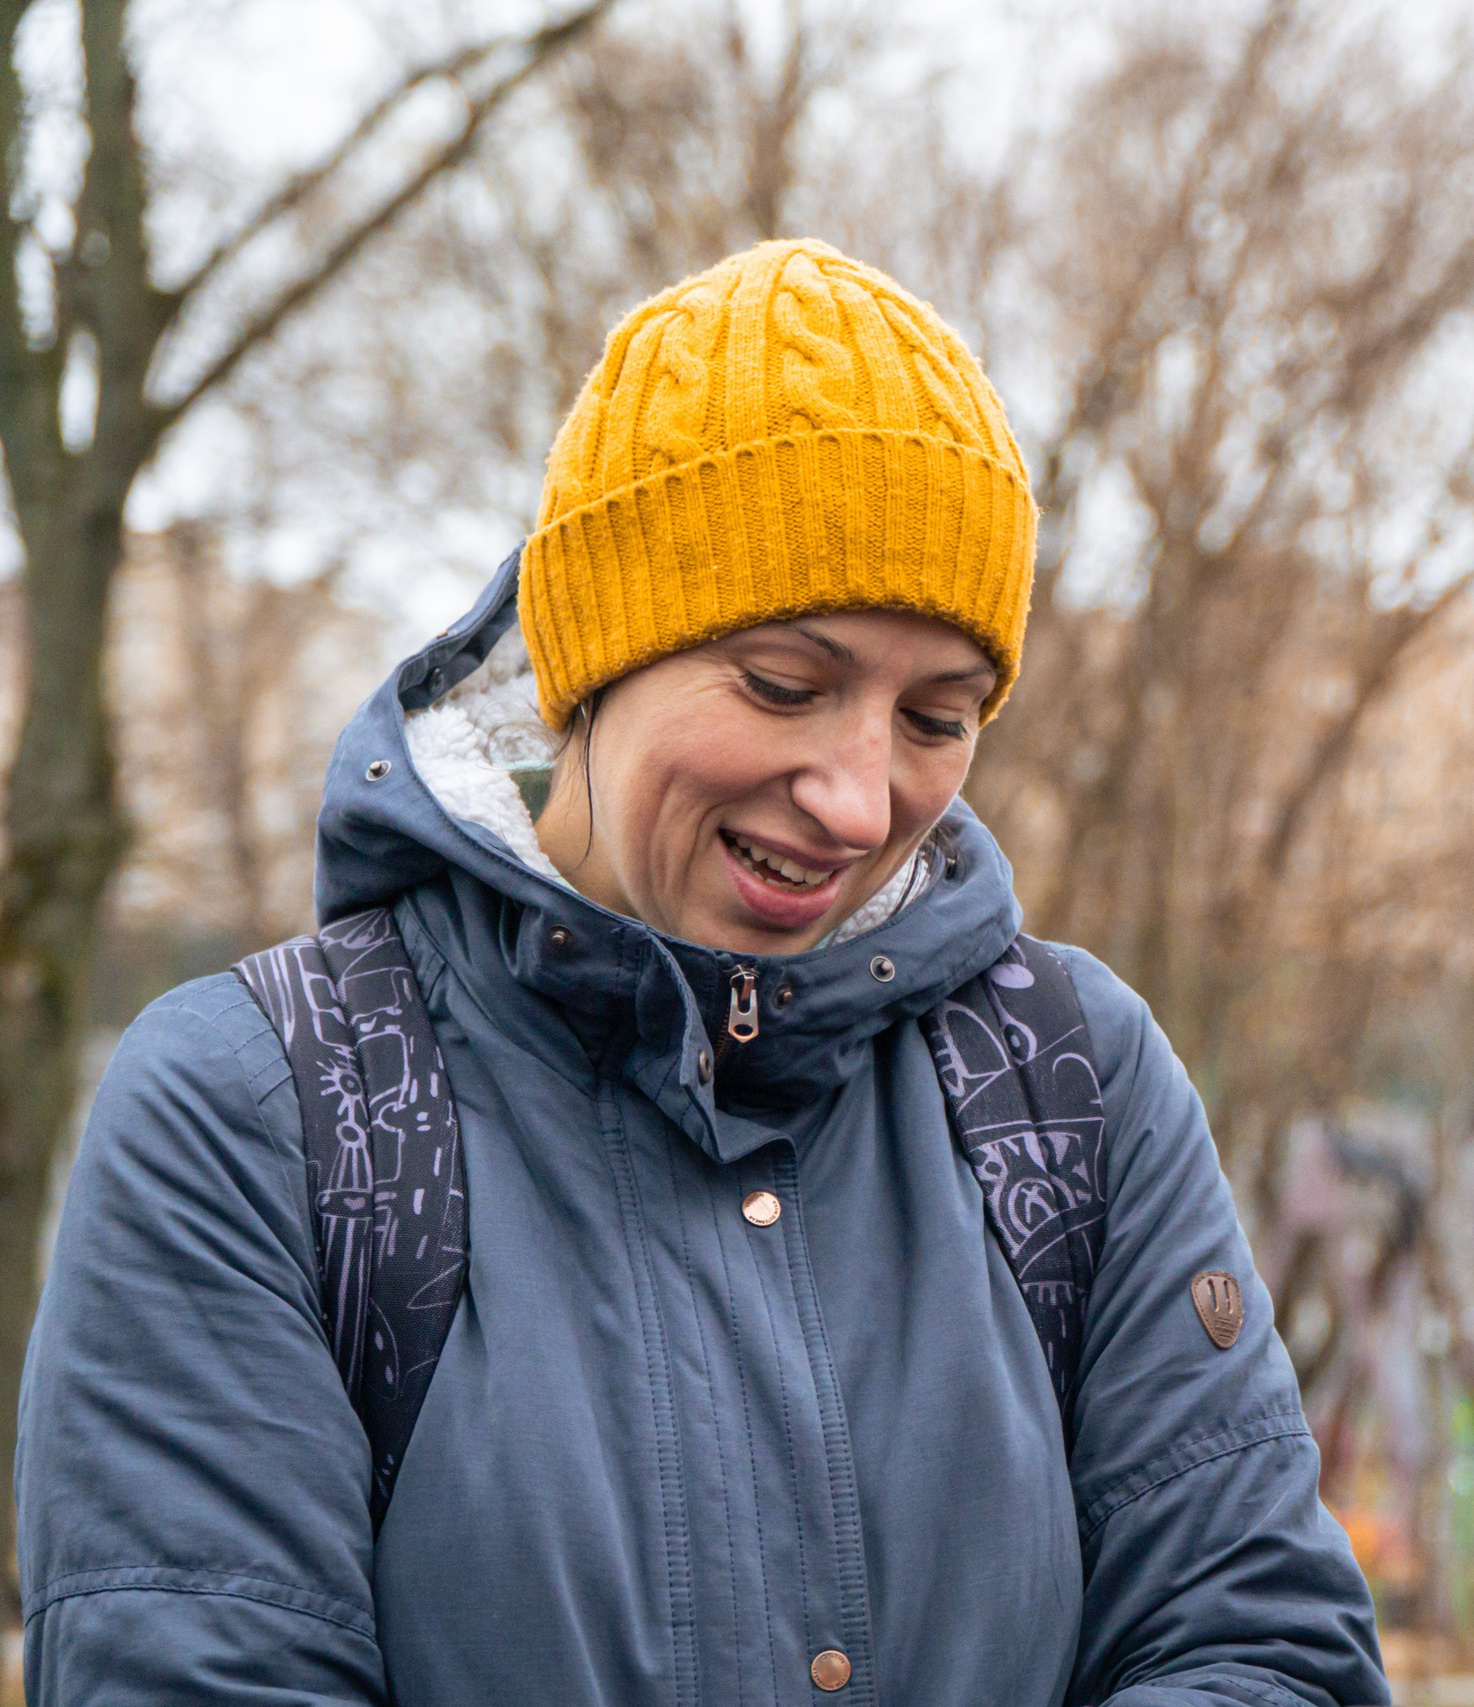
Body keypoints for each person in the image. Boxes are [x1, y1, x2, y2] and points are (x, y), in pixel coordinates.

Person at [18, 240, 1387, 1707]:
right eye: (786, 687)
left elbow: (1258, 1648)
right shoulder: (265, 1113)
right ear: (592, 658)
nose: (860, 803)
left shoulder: (1070, 1084)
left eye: (939, 717)